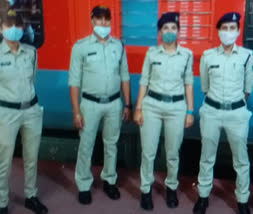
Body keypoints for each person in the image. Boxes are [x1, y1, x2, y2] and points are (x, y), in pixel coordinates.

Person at [193, 12, 253, 214]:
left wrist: (232, 104)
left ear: (238, 31)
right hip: (211, 111)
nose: (228, 32)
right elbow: (205, 86)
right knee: (206, 157)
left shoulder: (247, 56)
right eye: (224, 28)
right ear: (218, 31)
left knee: (241, 159)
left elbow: (247, 90)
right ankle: (203, 197)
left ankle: (243, 200)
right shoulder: (208, 56)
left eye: (232, 28)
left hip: (237, 114)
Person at [68, 5, 132, 205]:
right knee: (86, 146)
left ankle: (109, 181)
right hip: (90, 104)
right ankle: (84, 185)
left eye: (107, 19)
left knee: (111, 144)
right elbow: (74, 82)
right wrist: (76, 111)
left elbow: (125, 77)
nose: (103, 23)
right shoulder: (81, 47)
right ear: (92, 20)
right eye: (99, 19)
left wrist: (128, 104)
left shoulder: (119, 46)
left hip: (114, 103)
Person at [134, 12, 194, 211]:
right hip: (151, 106)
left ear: (178, 31)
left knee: (172, 153)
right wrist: (138, 108)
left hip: (177, 108)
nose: (170, 31)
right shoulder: (152, 54)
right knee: (148, 152)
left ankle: (171, 188)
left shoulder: (186, 55)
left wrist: (190, 111)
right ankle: (145, 190)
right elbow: (144, 81)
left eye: (173, 28)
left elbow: (188, 84)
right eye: (166, 28)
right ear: (160, 32)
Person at [0, 9, 48, 214]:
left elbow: (32, 80)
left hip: (31, 111)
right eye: (8, 25)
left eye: (17, 25)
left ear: (23, 28)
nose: (13, 29)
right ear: (1, 28)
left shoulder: (31, 52)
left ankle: (31, 196)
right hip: (7, 113)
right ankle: (1, 202)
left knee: (31, 157)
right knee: (4, 160)